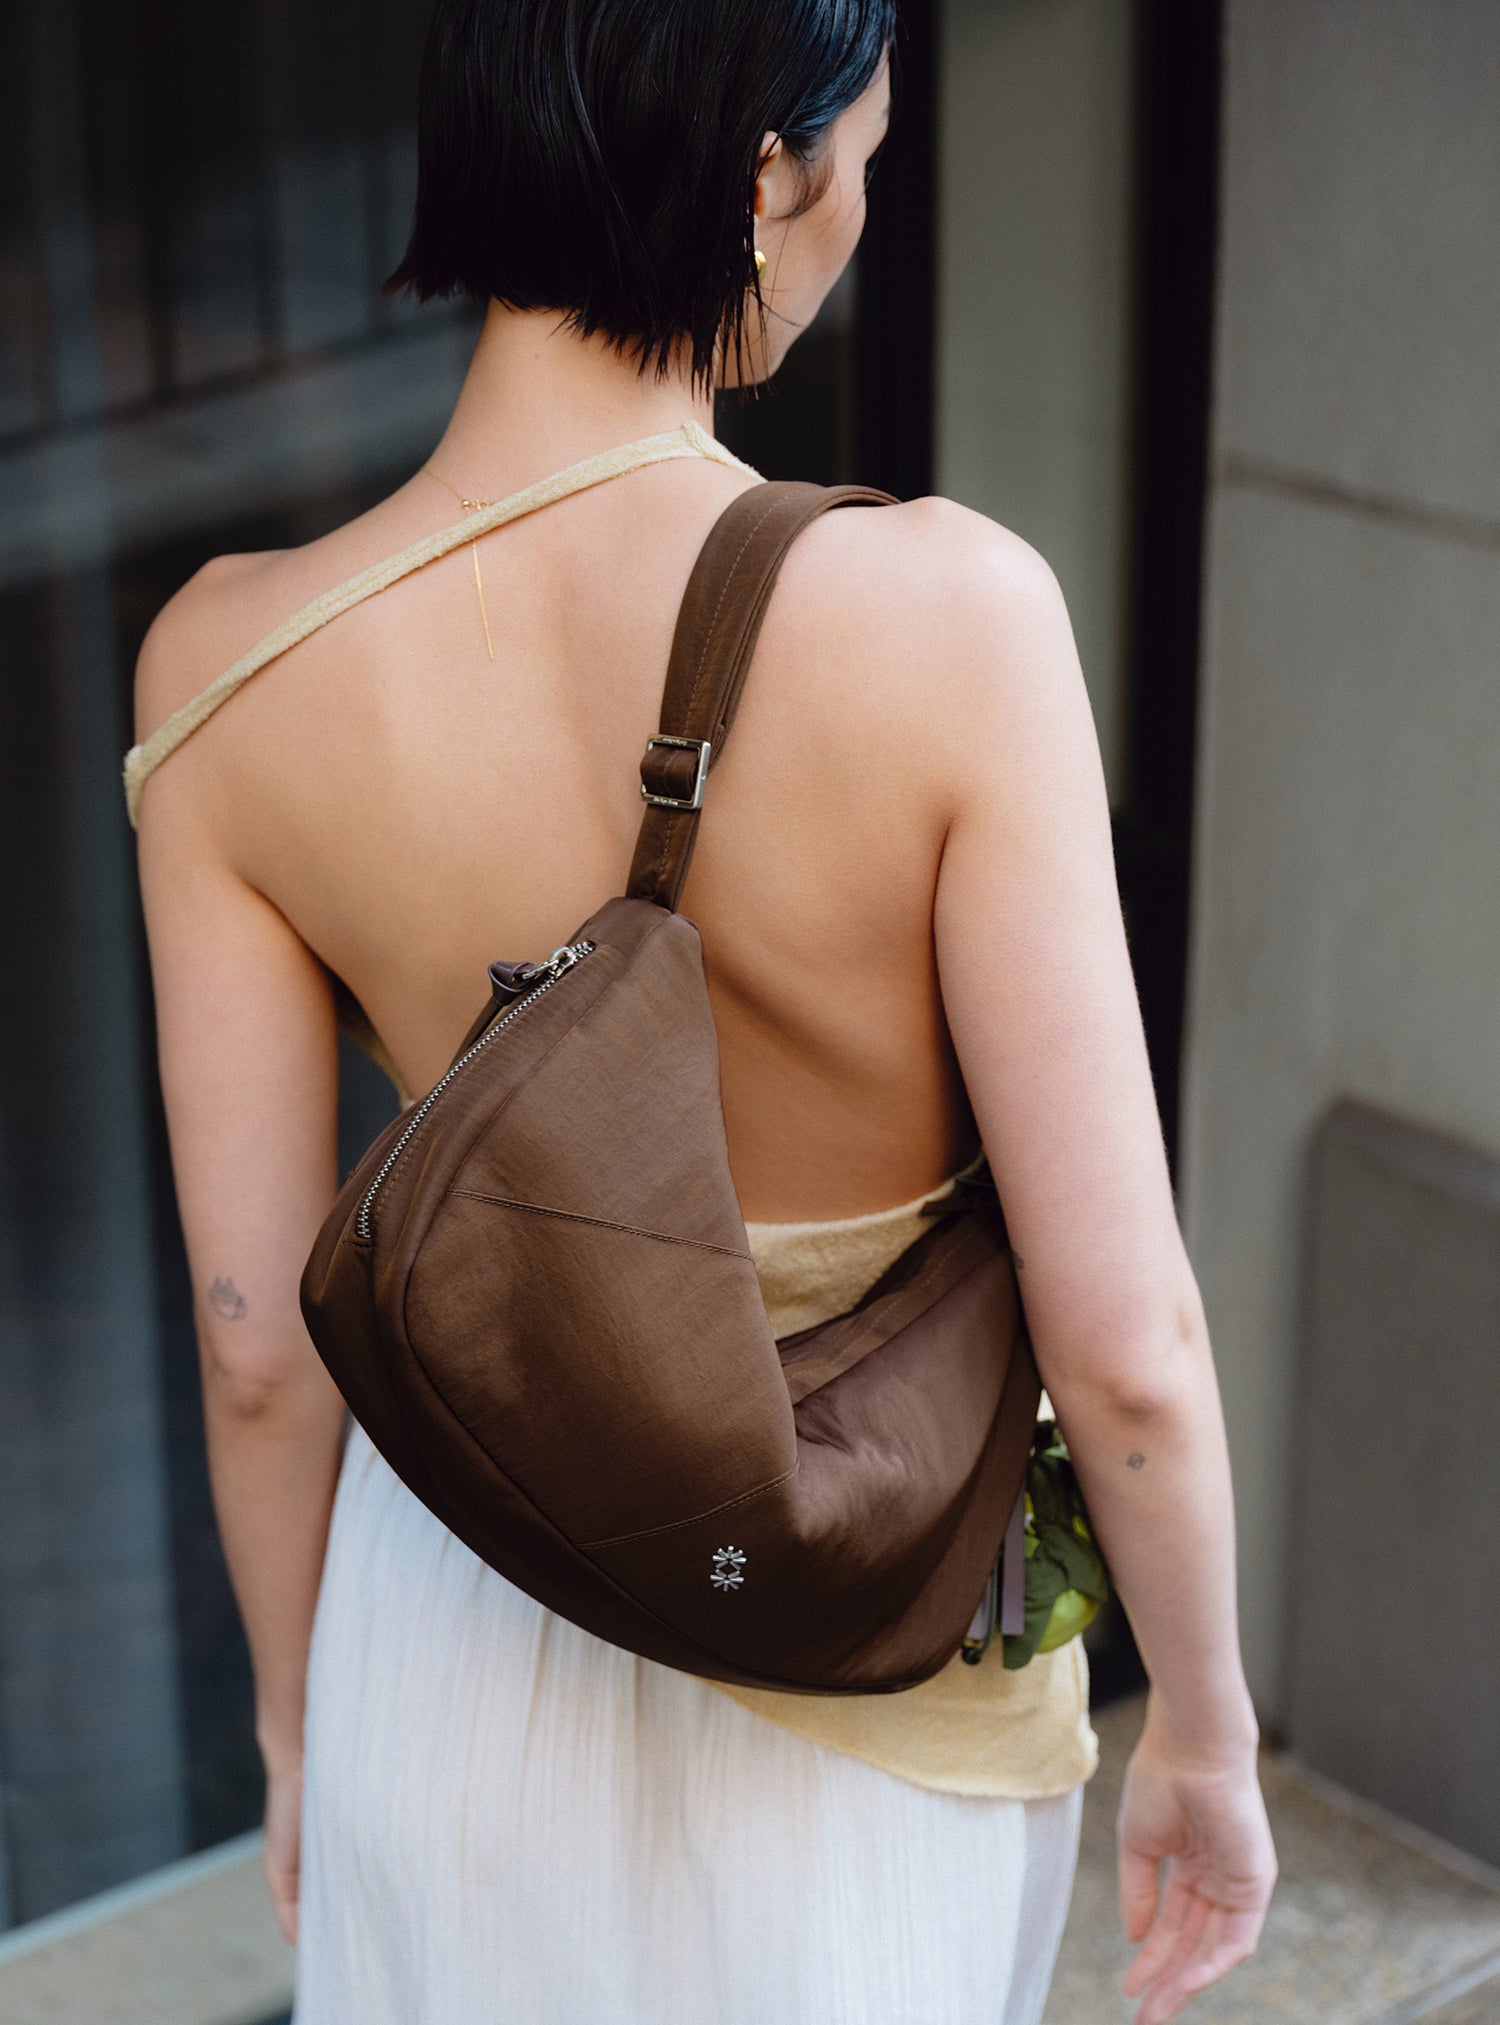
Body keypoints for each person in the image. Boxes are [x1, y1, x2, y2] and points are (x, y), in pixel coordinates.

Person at [127, 2, 1276, 2020]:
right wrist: (1203, 1725)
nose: (861, 213)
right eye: (867, 157)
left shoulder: (222, 672)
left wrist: (302, 1727)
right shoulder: (951, 619)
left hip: (453, 1645)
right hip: (862, 1701)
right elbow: (1129, 1344)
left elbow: (253, 1351)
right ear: (765, 172)